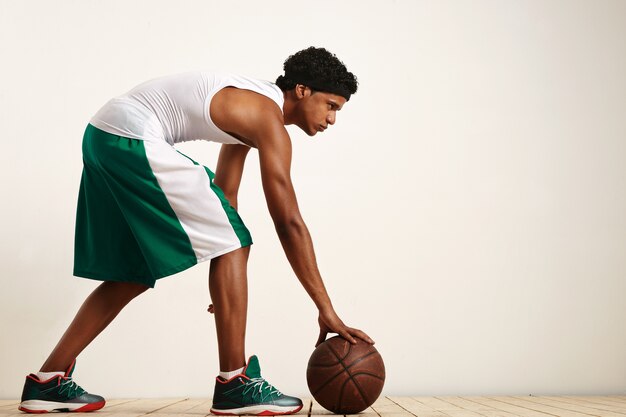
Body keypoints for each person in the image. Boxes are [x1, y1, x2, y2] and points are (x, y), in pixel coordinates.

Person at [18, 47, 374, 415]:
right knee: (235, 240)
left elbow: (224, 199)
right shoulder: (266, 119)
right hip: (130, 136)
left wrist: (225, 287)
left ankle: (47, 381)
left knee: (133, 272)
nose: (332, 119)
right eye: (331, 105)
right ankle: (236, 383)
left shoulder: (253, 108)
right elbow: (288, 222)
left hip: (104, 137)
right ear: (302, 90)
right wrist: (326, 309)